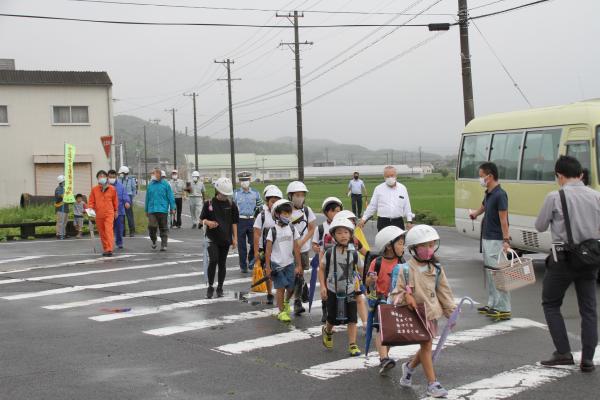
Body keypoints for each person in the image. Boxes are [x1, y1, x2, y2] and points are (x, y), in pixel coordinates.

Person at [535, 155, 600, 372]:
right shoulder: (596, 196)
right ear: (581, 175)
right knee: (589, 309)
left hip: (562, 259)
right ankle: (588, 359)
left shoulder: (555, 196)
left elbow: (540, 225)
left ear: (559, 176)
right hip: (590, 258)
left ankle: (563, 352)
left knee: (551, 303)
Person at [391, 225, 456, 398]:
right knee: (427, 345)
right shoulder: (405, 269)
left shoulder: (436, 268)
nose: (429, 249)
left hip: (432, 314)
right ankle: (432, 384)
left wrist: (451, 312)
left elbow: (444, 291)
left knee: (426, 346)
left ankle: (409, 368)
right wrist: (406, 296)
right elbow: (395, 295)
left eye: (431, 245)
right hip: (416, 315)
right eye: (424, 246)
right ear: (413, 248)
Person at [469, 162, 512, 321]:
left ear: (490, 176)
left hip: (496, 239)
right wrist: (474, 214)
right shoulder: (489, 193)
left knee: (498, 274)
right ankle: (493, 304)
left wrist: (506, 240)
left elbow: (504, 220)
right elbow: (482, 207)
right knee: (490, 273)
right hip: (487, 237)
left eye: (481, 176)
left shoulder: (501, 195)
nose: (480, 179)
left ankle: (504, 308)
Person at [319, 218, 363, 357]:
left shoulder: (354, 253)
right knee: (332, 318)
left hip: (350, 290)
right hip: (333, 289)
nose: (343, 235)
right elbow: (321, 269)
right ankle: (328, 330)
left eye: (346, 232)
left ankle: (352, 344)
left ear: (350, 234)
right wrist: (323, 287)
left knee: (352, 318)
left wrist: (362, 282)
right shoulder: (330, 253)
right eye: (339, 233)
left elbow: (361, 269)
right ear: (333, 235)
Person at [365, 225, 406, 375]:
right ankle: (383, 358)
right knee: (381, 328)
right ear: (389, 246)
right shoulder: (376, 262)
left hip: (396, 301)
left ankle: (385, 357)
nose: (403, 246)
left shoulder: (402, 262)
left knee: (391, 333)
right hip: (380, 301)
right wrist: (370, 279)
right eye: (400, 243)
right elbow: (367, 283)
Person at [264, 199, 303, 323]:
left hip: (289, 263)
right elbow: (268, 250)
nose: (287, 216)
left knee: (291, 288)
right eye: (284, 213)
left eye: (288, 213)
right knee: (280, 288)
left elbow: (296, 247)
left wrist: (299, 265)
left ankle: (286, 302)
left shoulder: (292, 228)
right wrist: (268, 267)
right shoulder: (273, 230)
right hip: (277, 264)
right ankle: (281, 312)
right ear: (277, 214)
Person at [201, 177, 239, 299]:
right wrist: (208, 223)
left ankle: (220, 287)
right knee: (213, 260)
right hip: (212, 238)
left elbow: (234, 222)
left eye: (227, 194)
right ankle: (210, 286)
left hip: (225, 238)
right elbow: (201, 219)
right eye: (223, 194)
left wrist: (235, 238)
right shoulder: (209, 204)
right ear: (217, 190)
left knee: (222, 263)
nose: (225, 196)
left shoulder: (231, 204)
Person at [286, 181, 317, 316]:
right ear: (290, 196)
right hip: (287, 249)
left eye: (302, 195)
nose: (300, 197)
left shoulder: (307, 210)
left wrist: (302, 241)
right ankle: (289, 297)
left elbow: (312, 228)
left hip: (303, 248)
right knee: (292, 274)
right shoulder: (285, 210)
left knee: (300, 273)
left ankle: (297, 301)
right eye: (297, 195)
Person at [312, 197, 344, 323]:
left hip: (341, 263)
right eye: (333, 211)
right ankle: (325, 309)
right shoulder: (320, 228)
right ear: (326, 212)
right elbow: (314, 244)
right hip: (325, 263)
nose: (336, 214)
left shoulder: (343, 227)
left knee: (340, 287)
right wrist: (317, 247)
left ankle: (340, 311)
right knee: (325, 287)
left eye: (338, 211)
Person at [358, 166, 413, 231]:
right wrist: (363, 219)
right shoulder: (378, 189)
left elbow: (407, 206)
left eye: (392, 175)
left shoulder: (402, 188)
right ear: (384, 177)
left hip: (398, 222)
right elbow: (372, 206)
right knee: (383, 241)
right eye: (387, 176)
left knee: (399, 240)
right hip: (383, 222)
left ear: (396, 175)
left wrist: (409, 221)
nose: (390, 178)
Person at [253, 186, 283, 305]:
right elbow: (256, 233)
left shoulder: (283, 214)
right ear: (267, 202)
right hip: (265, 248)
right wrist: (256, 251)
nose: (274, 204)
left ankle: (281, 292)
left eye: (277, 201)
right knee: (268, 271)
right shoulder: (262, 215)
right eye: (272, 201)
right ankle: (270, 292)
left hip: (279, 248)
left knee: (281, 270)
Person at [233, 171, 263, 273]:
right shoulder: (235, 194)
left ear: (250, 180)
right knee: (242, 246)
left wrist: (258, 219)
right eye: (242, 180)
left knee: (254, 243)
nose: (244, 182)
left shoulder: (255, 193)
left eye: (246, 180)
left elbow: (260, 208)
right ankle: (243, 266)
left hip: (252, 220)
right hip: (240, 221)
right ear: (239, 181)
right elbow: (232, 209)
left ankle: (251, 260)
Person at [145, 167, 176, 251]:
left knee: (163, 228)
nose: (153, 175)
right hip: (152, 209)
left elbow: (170, 196)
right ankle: (154, 240)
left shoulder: (165, 184)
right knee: (151, 226)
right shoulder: (150, 185)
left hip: (163, 209)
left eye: (155, 173)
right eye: (153, 173)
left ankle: (164, 244)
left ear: (159, 175)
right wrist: (146, 210)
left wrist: (173, 207)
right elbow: (147, 198)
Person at [88, 170, 118, 257]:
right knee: (102, 232)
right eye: (99, 176)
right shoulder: (94, 189)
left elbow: (115, 201)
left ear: (106, 177)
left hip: (109, 213)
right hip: (99, 214)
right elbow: (91, 202)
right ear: (97, 178)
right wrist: (90, 212)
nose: (101, 177)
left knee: (108, 230)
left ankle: (109, 248)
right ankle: (106, 248)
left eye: (103, 176)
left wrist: (116, 211)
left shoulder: (112, 189)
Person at [108, 169, 131, 250]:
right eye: (110, 177)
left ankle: (119, 242)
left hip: (119, 210)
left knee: (119, 228)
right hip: (108, 211)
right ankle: (108, 244)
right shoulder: (104, 186)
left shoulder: (121, 186)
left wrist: (127, 202)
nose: (112, 178)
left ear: (116, 177)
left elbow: (125, 195)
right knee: (108, 229)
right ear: (108, 177)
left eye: (113, 177)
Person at [118, 166, 137, 237]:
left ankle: (132, 231)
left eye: (121, 173)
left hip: (128, 197)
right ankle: (123, 231)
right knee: (121, 215)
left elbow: (134, 189)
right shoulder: (119, 179)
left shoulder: (131, 179)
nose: (120, 174)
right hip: (120, 198)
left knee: (129, 215)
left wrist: (132, 198)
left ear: (125, 173)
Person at [54, 175, 69, 240]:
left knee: (64, 222)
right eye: (64, 181)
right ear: (62, 181)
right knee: (60, 222)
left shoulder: (65, 188)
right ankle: (59, 234)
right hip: (60, 208)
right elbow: (59, 198)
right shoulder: (58, 189)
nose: (65, 182)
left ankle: (63, 233)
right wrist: (64, 194)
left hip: (65, 208)